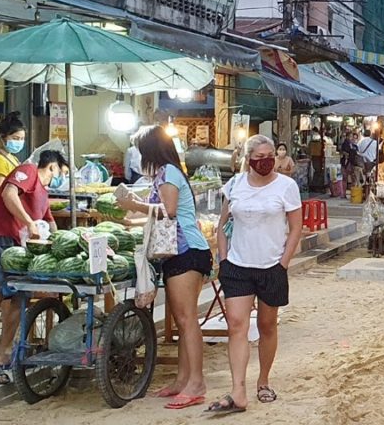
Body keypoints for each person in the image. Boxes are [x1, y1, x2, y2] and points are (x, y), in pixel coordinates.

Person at [116, 125, 212, 409]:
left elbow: (168, 211)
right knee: (184, 320)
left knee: (186, 319)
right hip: (177, 252)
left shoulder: (169, 172)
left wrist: (134, 203)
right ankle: (183, 380)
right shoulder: (163, 173)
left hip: (187, 251)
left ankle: (196, 383)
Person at [208, 135, 303, 414]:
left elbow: (296, 226)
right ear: (249, 160)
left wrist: (283, 262)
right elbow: (223, 224)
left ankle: (263, 380)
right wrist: (224, 259)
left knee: (267, 325)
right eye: (259, 157)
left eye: (269, 155)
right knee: (236, 324)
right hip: (237, 264)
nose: (265, 162)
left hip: (271, 265)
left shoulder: (287, 186)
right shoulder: (235, 185)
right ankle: (238, 389)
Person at [0, 150, 66, 385]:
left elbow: (50, 224)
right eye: (62, 172)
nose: (61, 178)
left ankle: (4, 353)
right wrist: (28, 222)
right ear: (53, 166)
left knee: (18, 297)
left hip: (18, 246)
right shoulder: (28, 171)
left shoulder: (43, 195)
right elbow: (8, 193)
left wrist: (70, 244)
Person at [0, 112, 26, 202]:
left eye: (22, 139)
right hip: (0, 212)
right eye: (15, 138)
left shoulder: (13, 158)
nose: (19, 142)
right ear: (2, 137)